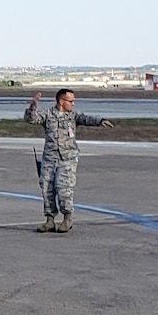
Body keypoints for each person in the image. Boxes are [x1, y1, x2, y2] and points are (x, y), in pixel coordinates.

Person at [25, 88, 115, 233]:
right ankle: (49, 220)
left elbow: (86, 119)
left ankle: (68, 218)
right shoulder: (48, 115)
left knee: (64, 189)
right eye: (71, 101)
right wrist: (33, 106)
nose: (73, 104)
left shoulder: (73, 116)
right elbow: (31, 119)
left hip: (67, 159)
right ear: (62, 101)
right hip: (49, 159)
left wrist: (100, 121)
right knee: (47, 188)